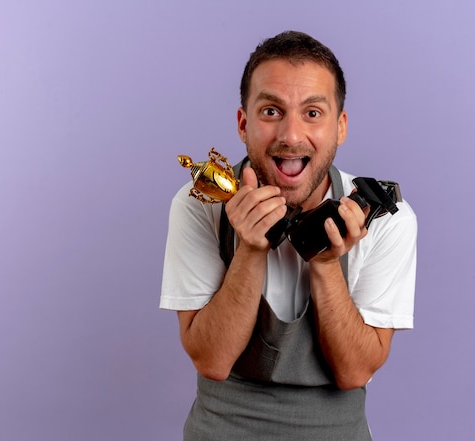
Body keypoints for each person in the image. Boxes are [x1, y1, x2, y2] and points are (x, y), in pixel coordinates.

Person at [160, 30, 417, 440]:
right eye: (271, 112)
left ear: (340, 127)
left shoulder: (386, 219)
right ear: (243, 123)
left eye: (313, 113)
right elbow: (211, 361)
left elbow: (354, 372)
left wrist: (327, 264)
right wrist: (250, 249)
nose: (291, 135)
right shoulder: (200, 204)